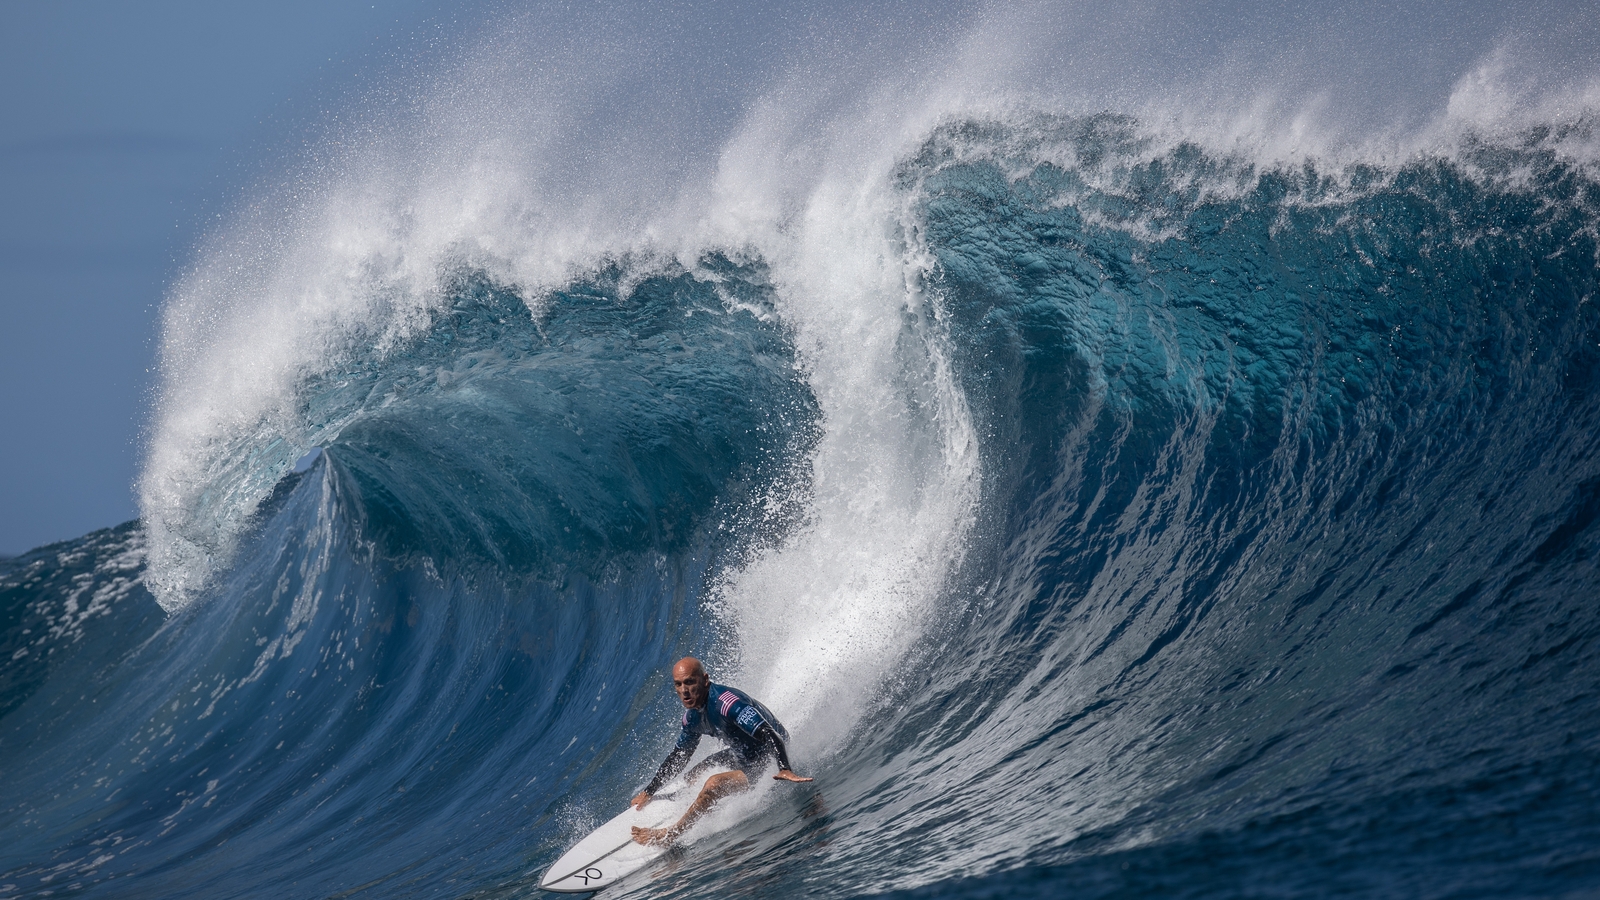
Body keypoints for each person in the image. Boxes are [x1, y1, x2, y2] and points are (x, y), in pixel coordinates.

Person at [629, 657, 811, 845]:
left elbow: (770, 734)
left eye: (690, 682)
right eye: (678, 684)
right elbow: (679, 756)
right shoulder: (692, 718)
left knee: (713, 784)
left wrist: (784, 767)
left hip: (767, 758)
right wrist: (650, 791)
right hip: (742, 752)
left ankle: (671, 834)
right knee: (695, 774)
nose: (684, 690)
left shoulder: (728, 704)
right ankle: (705, 806)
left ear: (705, 680)